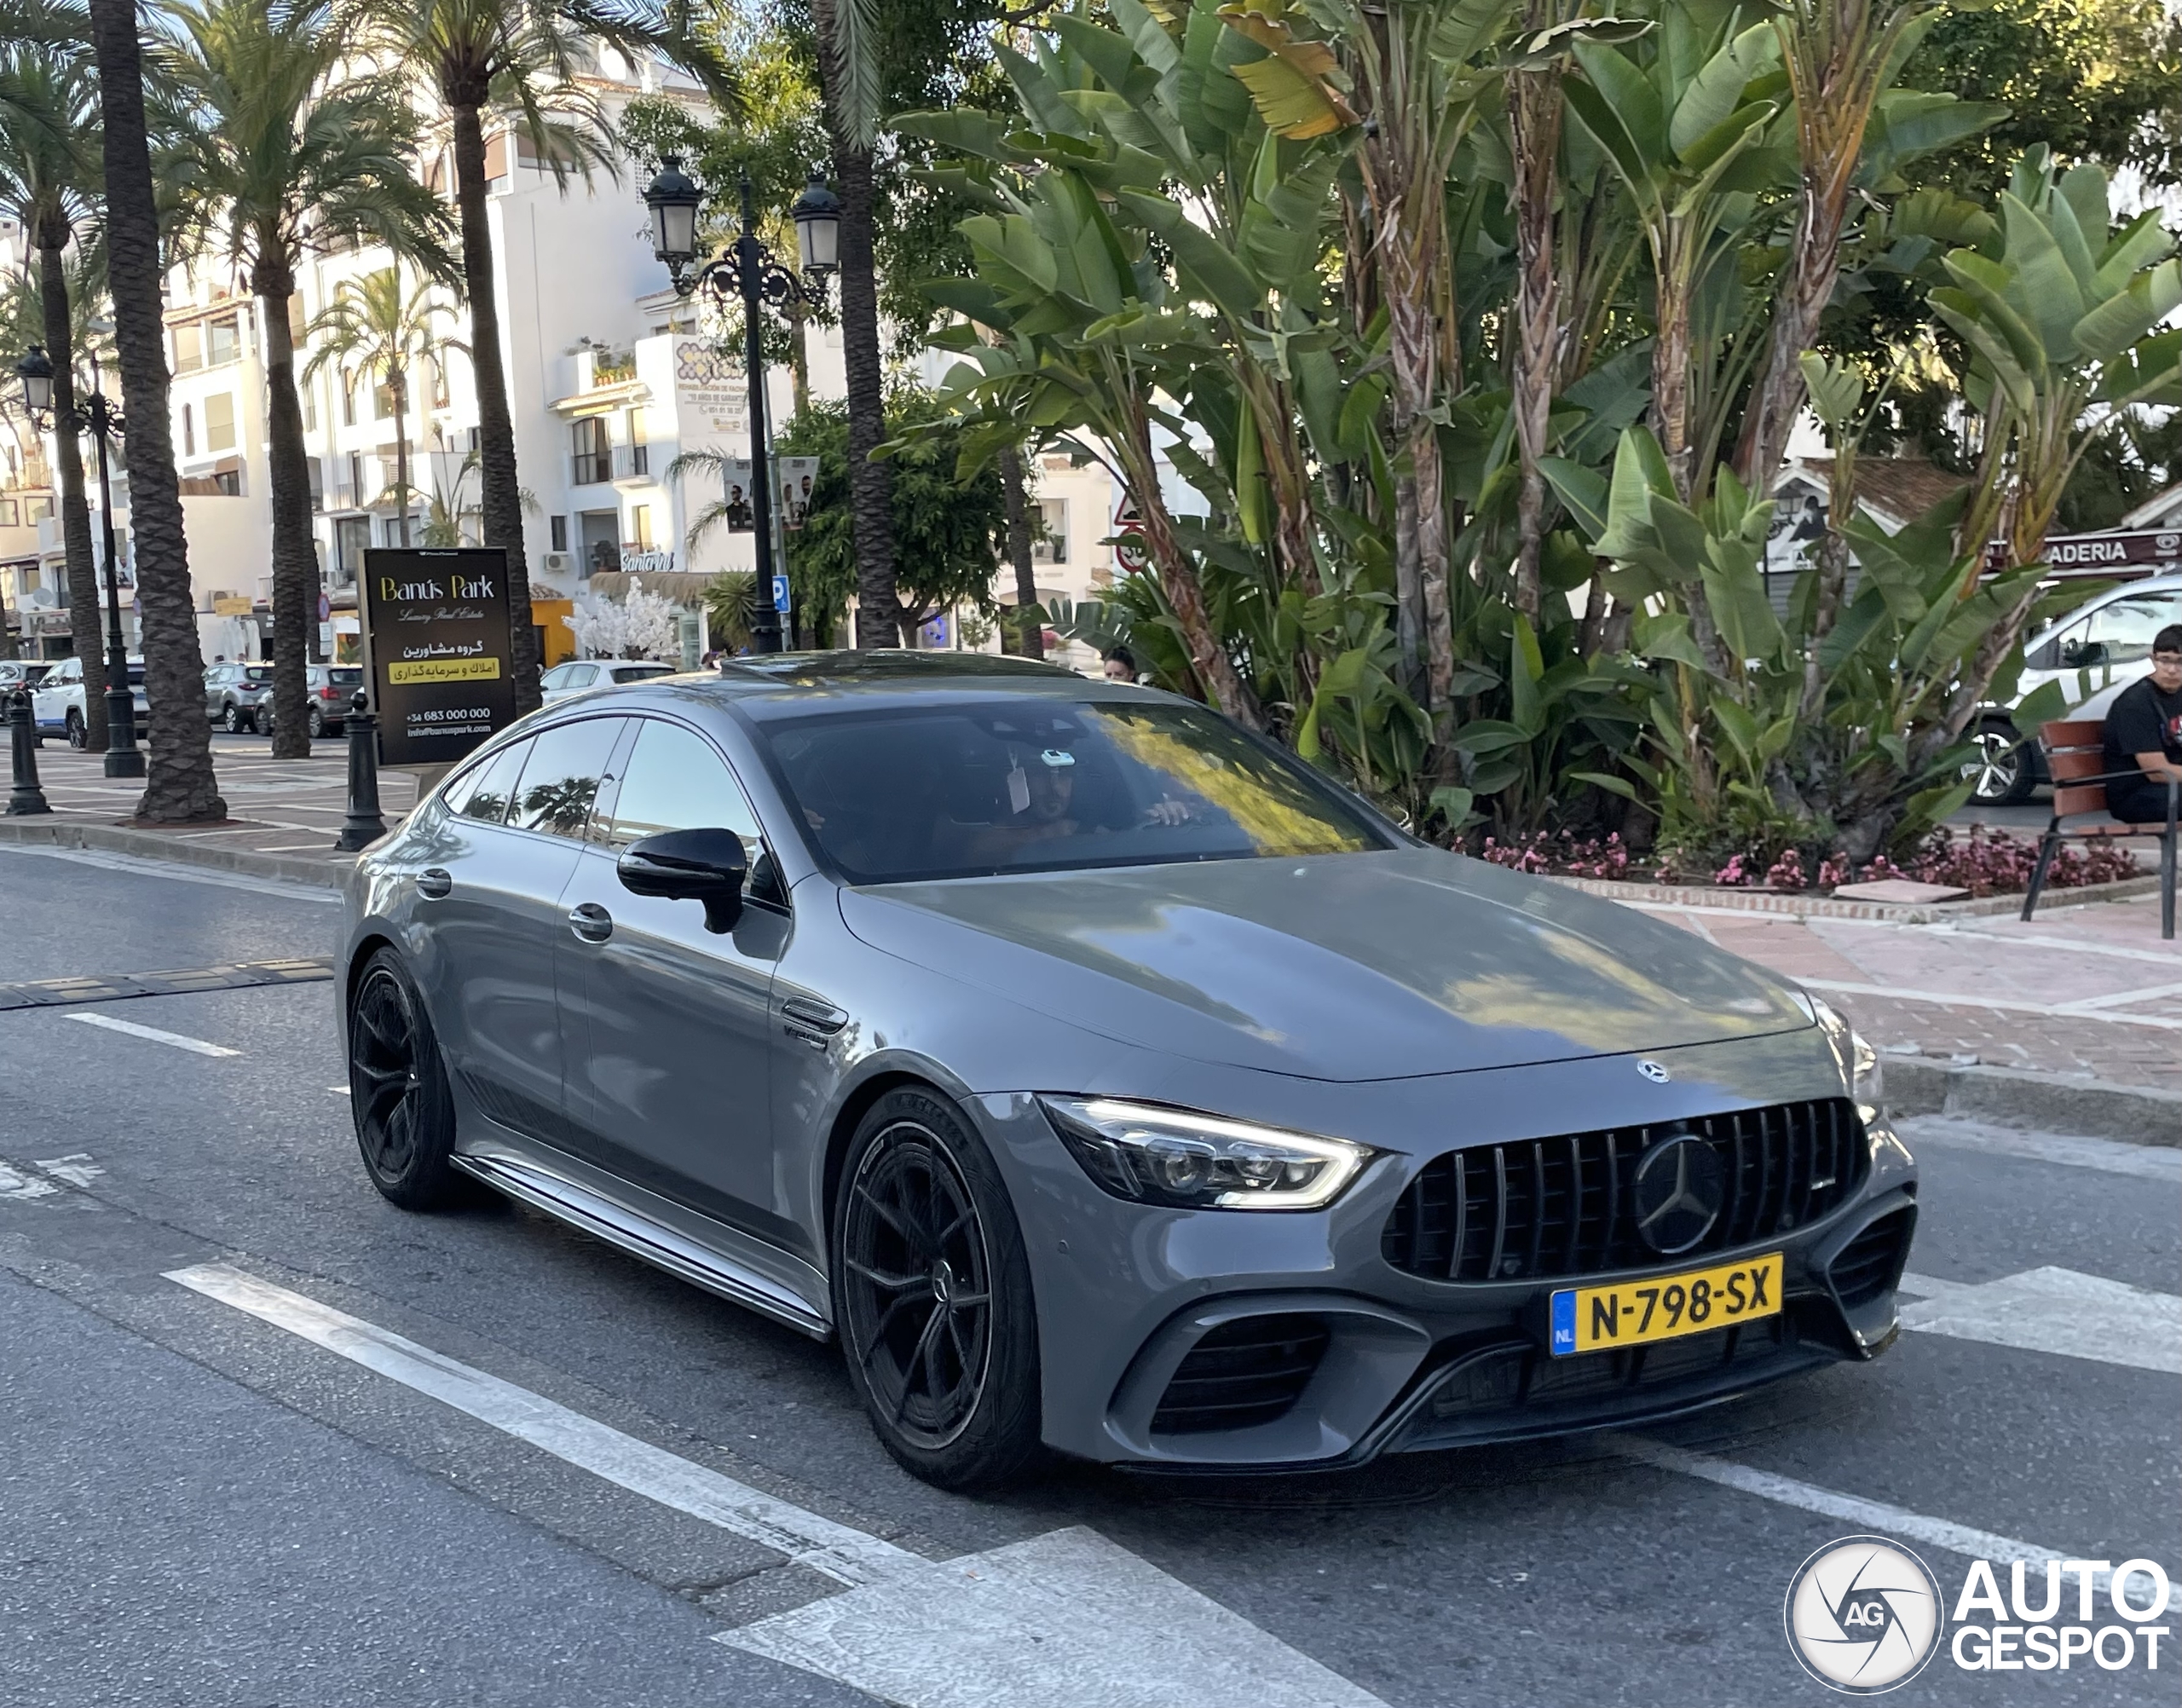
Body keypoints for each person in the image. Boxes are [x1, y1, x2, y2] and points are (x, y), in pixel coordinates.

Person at [2100, 623, 2182, 824]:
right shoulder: (2134, 702)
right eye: (2165, 660)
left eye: (2181, 662)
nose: (2172, 670)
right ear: (2153, 659)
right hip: (2136, 795)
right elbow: (2156, 772)